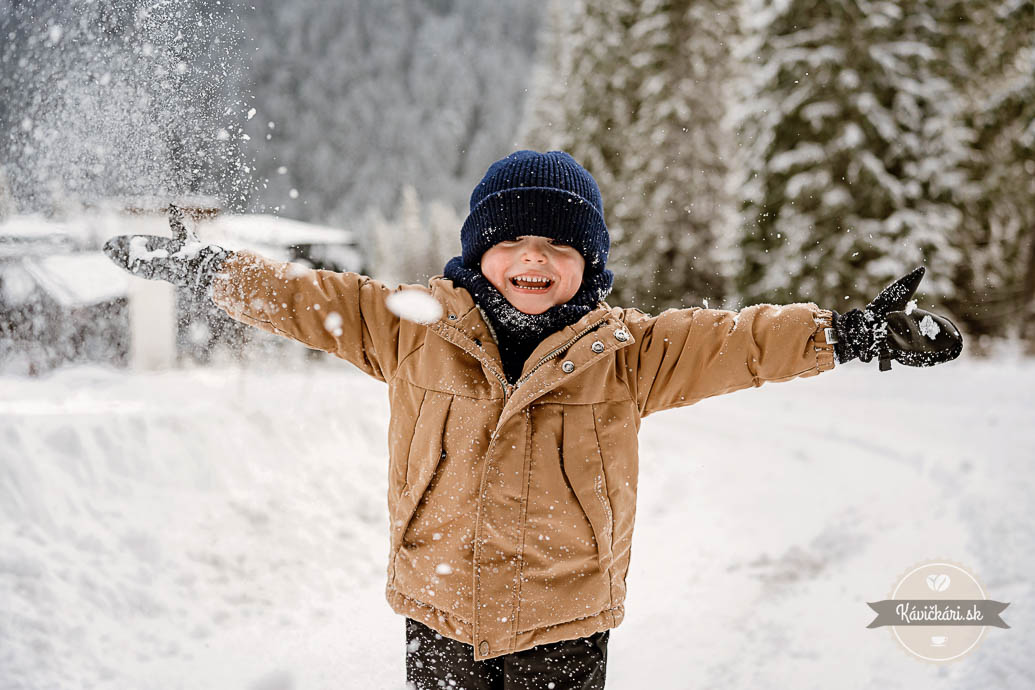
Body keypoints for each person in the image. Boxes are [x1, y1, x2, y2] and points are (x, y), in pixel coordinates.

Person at [104, 150, 962, 689]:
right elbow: (307, 298)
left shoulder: (628, 352)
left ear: (588, 265)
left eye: (557, 247)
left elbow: (734, 342)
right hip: (439, 607)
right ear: (479, 252)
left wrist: (842, 333)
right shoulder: (410, 328)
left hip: (564, 616)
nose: (533, 260)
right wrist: (210, 270)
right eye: (512, 243)